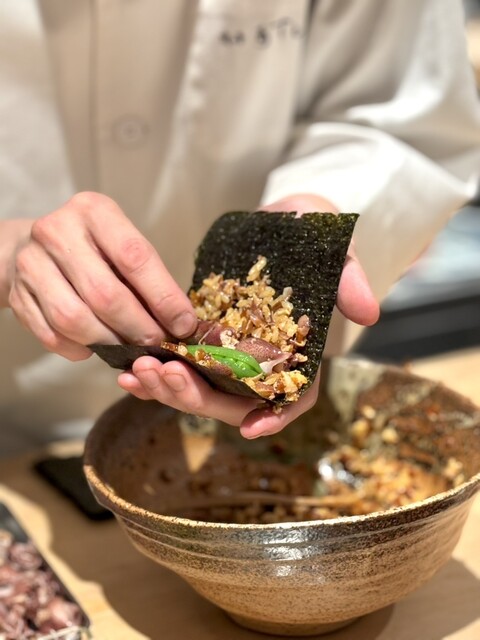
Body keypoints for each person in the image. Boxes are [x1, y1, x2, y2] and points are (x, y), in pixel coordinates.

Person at [0, 0, 479, 456]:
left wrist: (320, 205)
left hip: (275, 419)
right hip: (15, 409)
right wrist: (10, 252)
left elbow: (407, 114)